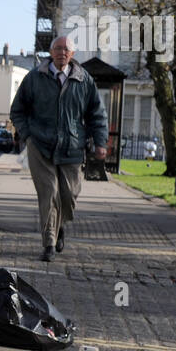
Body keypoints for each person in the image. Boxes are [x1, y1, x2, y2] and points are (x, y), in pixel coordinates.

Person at [10, 35, 109, 262]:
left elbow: (97, 114)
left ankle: (60, 224)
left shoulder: (84, 80)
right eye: (57, 48)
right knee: (49, 194)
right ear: (51, 52)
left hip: (72, 147)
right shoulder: (35, 77)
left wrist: (100, 143)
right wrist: (28, 136)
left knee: (68, 196)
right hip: (40, 145)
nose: (62, 52)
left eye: (66, 49)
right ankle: (49, 244)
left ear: (72, 54)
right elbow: (17, 110)